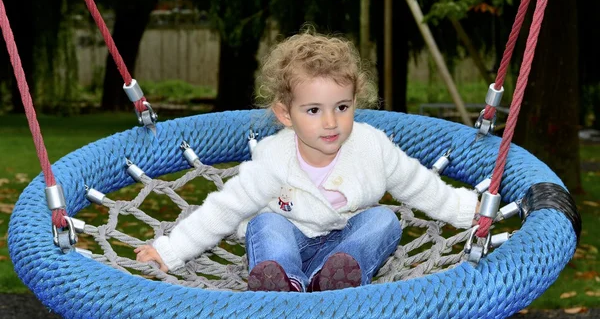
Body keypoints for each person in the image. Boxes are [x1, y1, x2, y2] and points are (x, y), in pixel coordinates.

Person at [135, 30, 480, 292]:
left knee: (384, 220)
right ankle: (284, 281)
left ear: (355, 103)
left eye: (342, 107)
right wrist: (169, 251)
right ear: (285, 114)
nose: (331, 122)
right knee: (266, 225)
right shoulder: (274, 157)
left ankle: (333, 278)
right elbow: (225, 208)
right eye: (314, 110)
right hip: (287, 240)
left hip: (342, 244)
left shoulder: (371, 146)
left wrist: (469, 212)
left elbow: (419, 185)